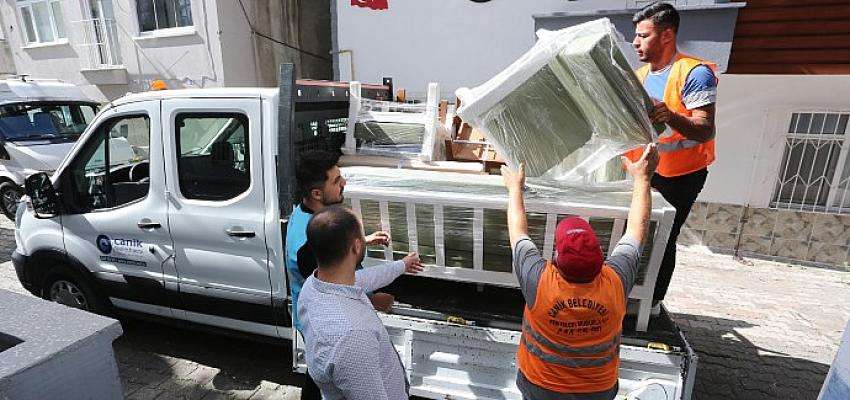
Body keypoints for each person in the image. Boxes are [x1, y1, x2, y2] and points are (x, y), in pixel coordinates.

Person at [503, 144, 658, 400]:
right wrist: (643, 179)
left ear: (556, 259)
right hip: (598, 390)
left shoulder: (540, 282)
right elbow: (636, 231)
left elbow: (518, 232)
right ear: (601, 256)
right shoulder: (615, 282)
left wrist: (514, 188)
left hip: (541, 386)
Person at [626, 1, 718, 310]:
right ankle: (631, 295)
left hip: (681, 176)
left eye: (643, 36)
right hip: (646, 172)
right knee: (637, 232)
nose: (635, 42)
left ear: (667, 36)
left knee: (662, 238)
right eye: (636, 35)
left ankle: (651, 304)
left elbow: (705, 129)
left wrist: (671, 116)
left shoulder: (695, 73)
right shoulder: (639, 76)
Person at [285, 150, 397, 399]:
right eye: (336, 181)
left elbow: (329, 247)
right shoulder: (305, 248)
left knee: (319, 372)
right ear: (317, 194)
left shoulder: (308, 216)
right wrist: (372, 300)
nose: (344, 183)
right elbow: (333, 287)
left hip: (316, 319)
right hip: (321, 321)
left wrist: (362, 240)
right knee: (326, 376)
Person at [298, 205, 423, 400]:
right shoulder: (353, 337)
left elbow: (366, 278)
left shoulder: (314, 285)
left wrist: (403, 265)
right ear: (356, 246)